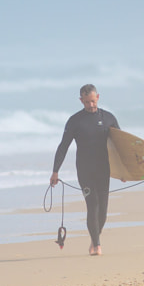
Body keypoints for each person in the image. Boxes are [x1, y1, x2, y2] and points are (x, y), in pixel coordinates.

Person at [50, 84, 119, 256]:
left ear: (98, 97)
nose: (91, 105)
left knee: (103, 210)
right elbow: (63, 146)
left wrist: (123, 171)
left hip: (104, 169)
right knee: (92, 205)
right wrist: (55, 171)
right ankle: (96, 245)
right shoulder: (75, 121)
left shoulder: (109, 118)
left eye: (93, 101)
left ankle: (94, 238)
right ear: (81, 100)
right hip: (85, 170)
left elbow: (119, 146)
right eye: (87, 102)